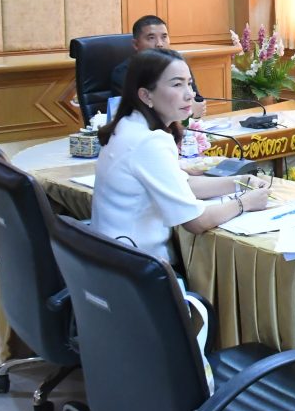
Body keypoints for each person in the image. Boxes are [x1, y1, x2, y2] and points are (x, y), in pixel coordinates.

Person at [92, 48, 270, 262]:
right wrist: (245, 202)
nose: (190, 94)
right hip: (136, 265)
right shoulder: (149, 141)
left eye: (189, 83)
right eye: (177, 85)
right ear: (146, 95)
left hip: (110, 258)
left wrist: (240, 182)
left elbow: (181, 185)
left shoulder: (128, 124)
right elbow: (196, 222)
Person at [111, 15, 207, 118]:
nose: (159, 44)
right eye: (151, 38)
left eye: (164, 37)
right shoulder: (124, 73)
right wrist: (186, 111)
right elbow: (132, 112)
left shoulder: (178, 66)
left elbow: (198, 103)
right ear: (135, 44)